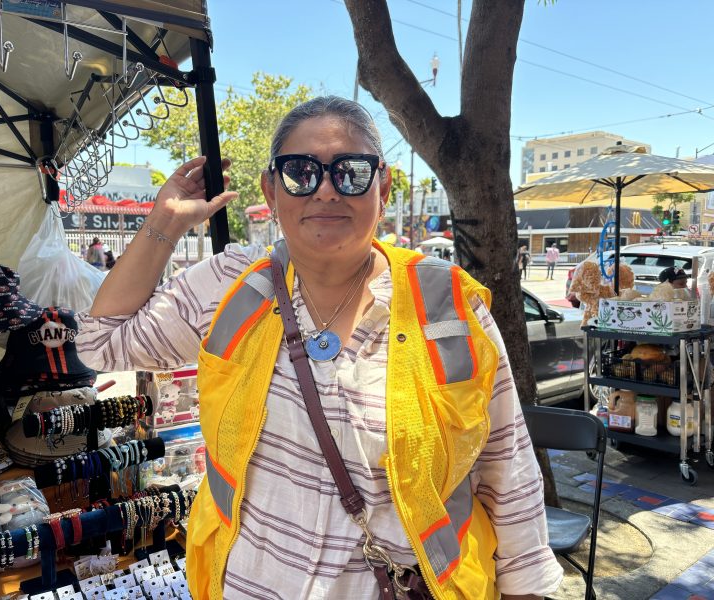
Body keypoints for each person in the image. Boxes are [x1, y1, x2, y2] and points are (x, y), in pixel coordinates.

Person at [76, 96, 561, 600]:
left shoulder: (448, 309)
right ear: (271, 187)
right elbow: (100, 344)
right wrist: (167, 223)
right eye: (300, 172)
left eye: (350, 172)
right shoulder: (229, 285)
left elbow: (508, 471)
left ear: (384, 184)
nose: (326, 190)